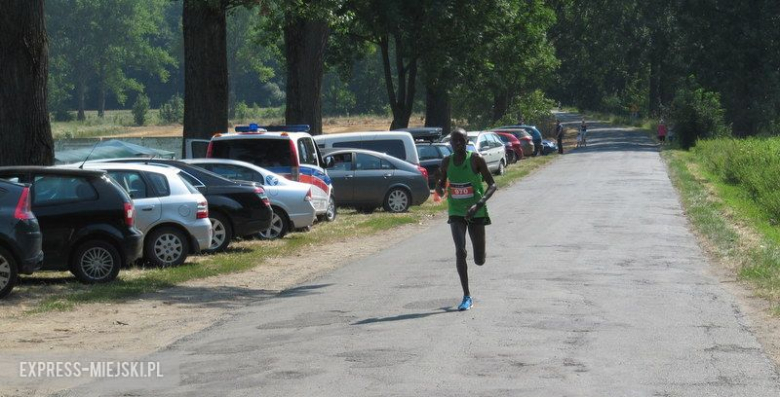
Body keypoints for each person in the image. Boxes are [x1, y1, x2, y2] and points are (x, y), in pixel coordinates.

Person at [435, 128, 497, 311]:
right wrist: (437, 184)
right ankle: (466, 296)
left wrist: (478, 205)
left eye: (461, 140)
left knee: (479, 259)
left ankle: (481, 255)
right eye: (455, 141)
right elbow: (440, 192)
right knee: (460, 250)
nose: (458, 144)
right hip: (456, 211)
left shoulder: (476, 160)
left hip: (476, 210)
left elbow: (493, 184)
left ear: (467, 141)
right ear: (451, 144)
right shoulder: (447, 162)